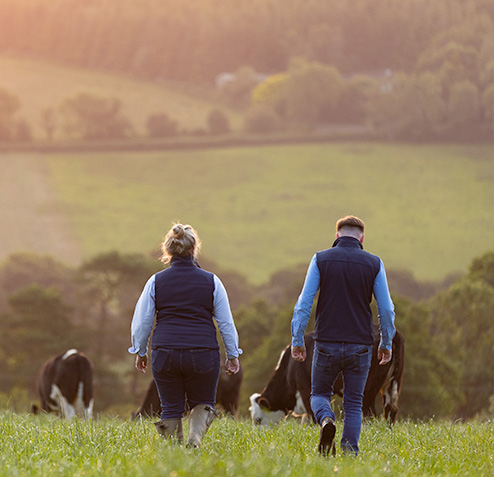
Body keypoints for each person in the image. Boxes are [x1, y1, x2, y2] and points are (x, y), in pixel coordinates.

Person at [129, 223, 241, 448]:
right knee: (204, 402)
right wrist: (232, 354)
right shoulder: (212, 281)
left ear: (168, 251)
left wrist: (140, 351)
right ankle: (195, 439)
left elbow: (142, 322)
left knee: (170, 407)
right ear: (194, 249)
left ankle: (176, 456)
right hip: (203, 354)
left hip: (165, 353)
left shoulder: (155, 281)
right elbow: (226, 323)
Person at [291, 215, 395, 456]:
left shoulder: (320, 259)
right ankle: (350, 454)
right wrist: (386, 343)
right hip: (361, 345)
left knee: (318, 394)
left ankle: (327, 421)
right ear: (362, 238)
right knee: (354, 402)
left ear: (337, 235)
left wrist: (297, 340)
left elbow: (304, 304)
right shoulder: (374, 263)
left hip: (326, 342)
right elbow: (387, 309)